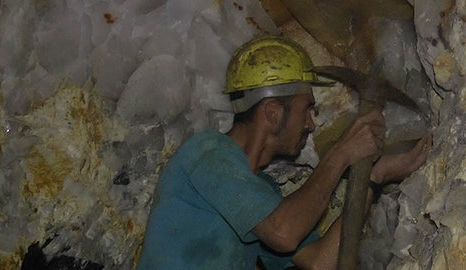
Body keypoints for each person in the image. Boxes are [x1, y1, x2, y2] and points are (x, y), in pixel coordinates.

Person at [137, 35, 431, 269]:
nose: (310, 124)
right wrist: (341, 154)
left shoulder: (261, 192)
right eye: (306, 110)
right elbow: (284, 233)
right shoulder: (207, 152)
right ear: (273, 113)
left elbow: (319, 262)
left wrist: (373, 178)